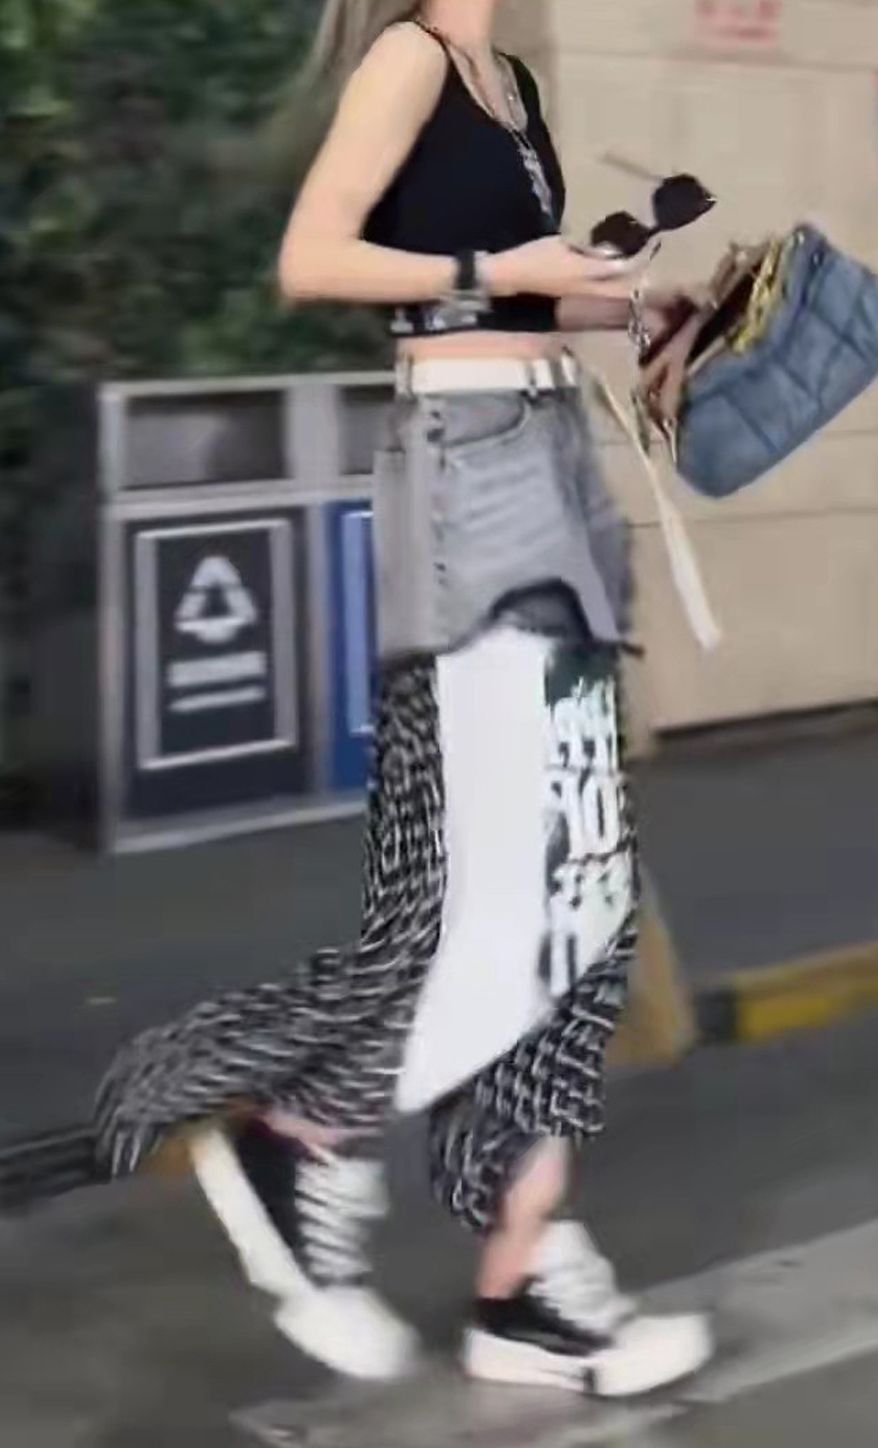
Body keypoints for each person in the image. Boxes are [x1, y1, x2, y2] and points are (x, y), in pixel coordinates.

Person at [94, 0, 713, 1398]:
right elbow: (315, 255)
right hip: (475, 476)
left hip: (552, 459)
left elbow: (514, 296)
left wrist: (636, 305)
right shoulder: (411, 60)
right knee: (536, 902)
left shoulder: (510, 84)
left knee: (573, 902)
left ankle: (507, 1274)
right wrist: (502, 264)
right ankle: (308, 1143)